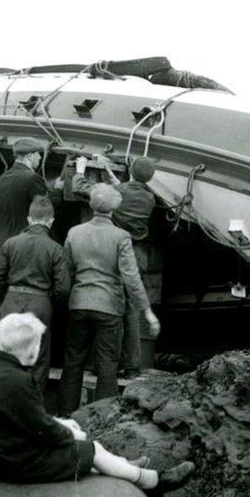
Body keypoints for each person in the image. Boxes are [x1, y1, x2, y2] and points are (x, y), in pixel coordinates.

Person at [0, 312, 194, 497]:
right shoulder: (19, 381)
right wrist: (69, 434)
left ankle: (125, 466)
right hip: (12, 461)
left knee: (82, 446)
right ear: (32, 350)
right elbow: (41, 428)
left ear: (0, 342)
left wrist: (60, 423)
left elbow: (22, 418)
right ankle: (153, 482)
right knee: (91, 449)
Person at [57, 184, 160, 416]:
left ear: (92, 205)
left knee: (73, 363)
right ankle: (102, 418)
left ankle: (65, 415)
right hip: (109, 308)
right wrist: (147, 310)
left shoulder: (74, 232)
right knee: (107, 366)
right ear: (114, 209)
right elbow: (131, 277)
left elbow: (66, 271)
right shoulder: (120, 236)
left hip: (79, 304)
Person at [0, 195, 69, 397]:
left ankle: (0, 408)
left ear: (29, 219)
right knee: (37, 362)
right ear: (51, 221)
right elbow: (63, 288)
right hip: (40, 304)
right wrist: (48, 302)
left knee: (3, 356)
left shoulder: (10, 243)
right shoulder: (55, 248)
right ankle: (30, 411)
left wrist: (6, 296)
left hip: (11, 301)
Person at [113, 157, 159, 378]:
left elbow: (114, 194)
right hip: (139, 255)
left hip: (118, 252)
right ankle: (132, 366)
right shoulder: (150, 198)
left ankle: (103, 363)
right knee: (132, 312)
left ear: (130, 171)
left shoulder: (120, 190)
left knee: (111, 309)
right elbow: (128, 192)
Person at [0, 138, 48, 248]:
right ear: (30, 156)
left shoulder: (3, 178)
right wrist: (57, 189)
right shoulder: (32, 178)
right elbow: (45, 209)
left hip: (5, 242)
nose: (40, 157)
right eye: (38, 154)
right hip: (25, 244)